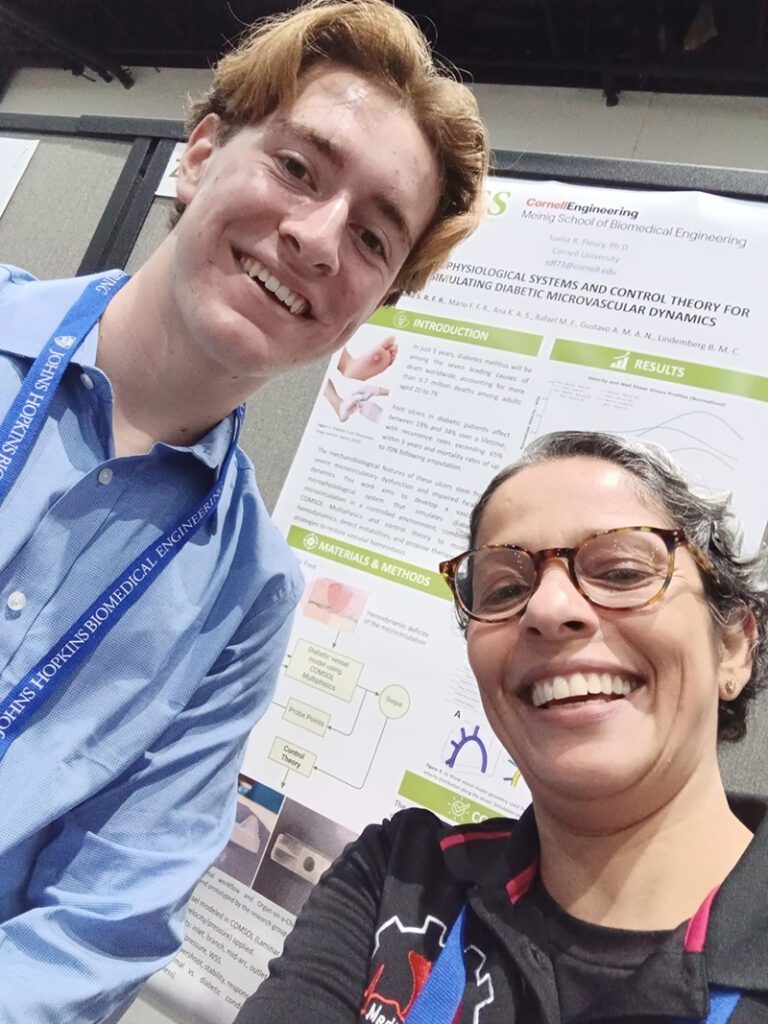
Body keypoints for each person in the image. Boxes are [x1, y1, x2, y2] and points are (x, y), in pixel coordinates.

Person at [0, 1, 489, 1019]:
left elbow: (103, 921)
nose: (316, 239)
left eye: (372, 237)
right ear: (199, 155)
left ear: (369, 307)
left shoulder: (247, 596)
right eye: (298, 168)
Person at [237, 430, 768, 1023]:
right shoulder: (403, 879)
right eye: (506, 588)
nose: (547, 609)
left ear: (733, 646)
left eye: (621, 572)